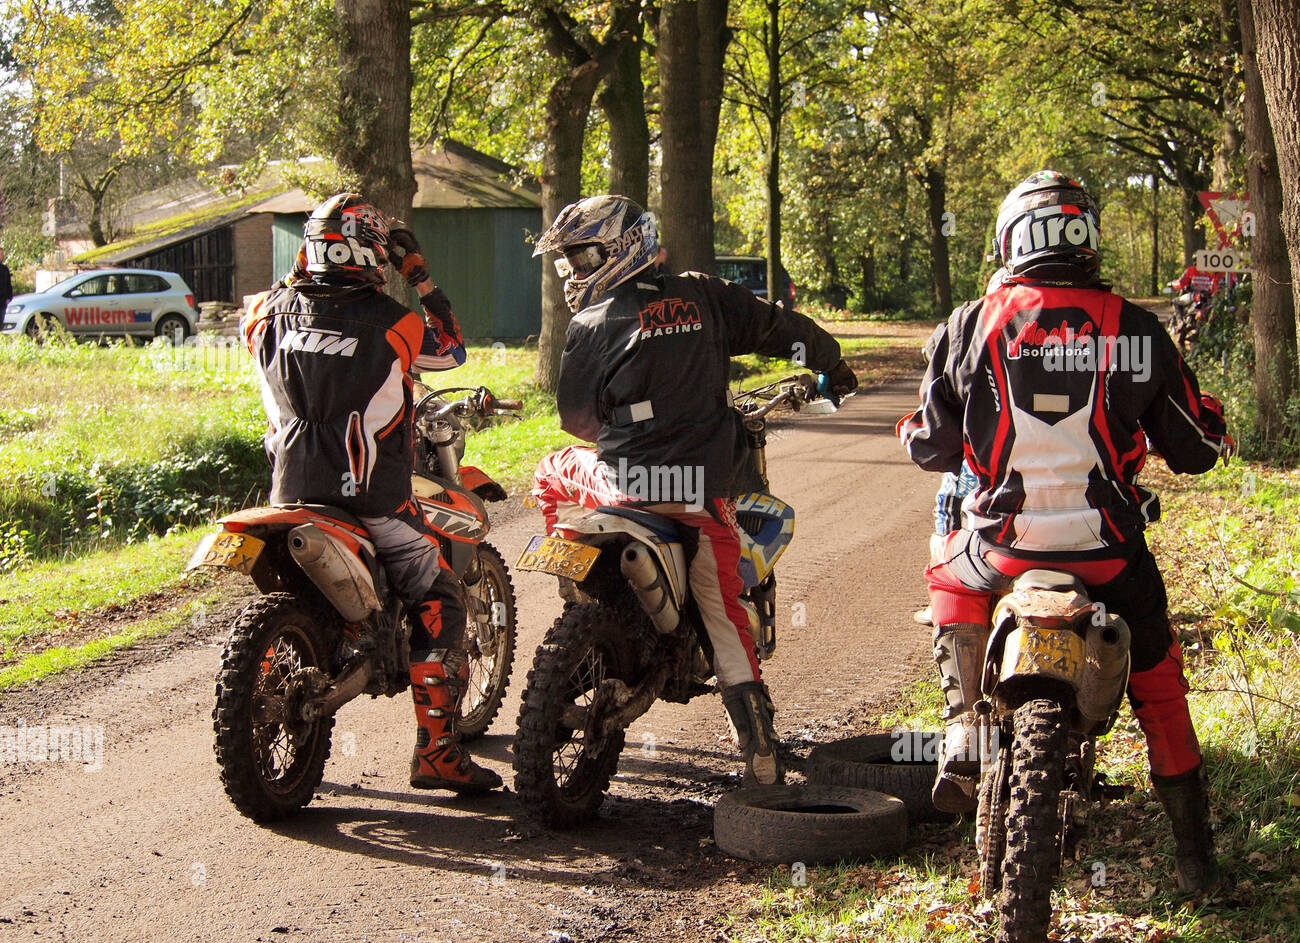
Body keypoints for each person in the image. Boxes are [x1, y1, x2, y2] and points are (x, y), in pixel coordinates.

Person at [897, 171, 1233, 892]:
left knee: (943, 573)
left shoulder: (969, 323)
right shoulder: (1134, 326)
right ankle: (1198, 863)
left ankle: (963, 724)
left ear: (1010, 239)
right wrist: (1211, 422)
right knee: (1162, 685)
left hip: (999, 551)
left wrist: (917, 429)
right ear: (1086, 237)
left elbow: (928, 447)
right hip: (1109, 556)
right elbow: (1194, 450)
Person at [530, 194, 858, 784]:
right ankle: (759, 753)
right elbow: (781, 329)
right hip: (696, 493)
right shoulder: (706, 295)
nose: (577, 272)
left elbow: (577, 421)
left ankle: (576, 586)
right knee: (723, 609)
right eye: (572, 261)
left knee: (550, 469)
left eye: (583, 257)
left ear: (620, 247)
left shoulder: (588, 323)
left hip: (621, 485)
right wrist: (831, 362)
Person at [242, 193, 501, 793]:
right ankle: (437, 753)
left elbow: (285, 291)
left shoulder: (261, 313)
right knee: (440, 600)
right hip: (370, 498)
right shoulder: (398, 323)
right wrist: (421, 275)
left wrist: (306, 264)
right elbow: (453, 347)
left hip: (289, 493)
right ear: (373, 255)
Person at [0, 247, 12, 322]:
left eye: (2, 254)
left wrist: (9, 297)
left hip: (2, 302)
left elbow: (8, 284)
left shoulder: (5, 269)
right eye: (0, 254)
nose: (2, 256)